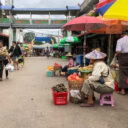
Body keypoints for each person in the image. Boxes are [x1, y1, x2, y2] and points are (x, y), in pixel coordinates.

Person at [115, 30, 128, 95]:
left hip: (123, 57)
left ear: (122, 35)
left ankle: (123, 90)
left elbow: (119, 51)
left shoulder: (120, 40)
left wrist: (116, 54)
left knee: (122, 73)